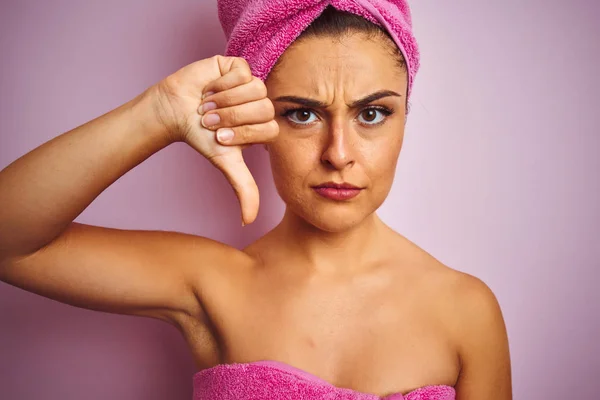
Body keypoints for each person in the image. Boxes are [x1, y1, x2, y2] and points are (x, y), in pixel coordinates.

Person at [0, 4, 511, 400]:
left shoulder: (466, 310)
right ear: (257, 121)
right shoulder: (214, 284)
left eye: (372, 114)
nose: (339, 154)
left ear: (405, 117)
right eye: (302, 115)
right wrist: (156, 114)